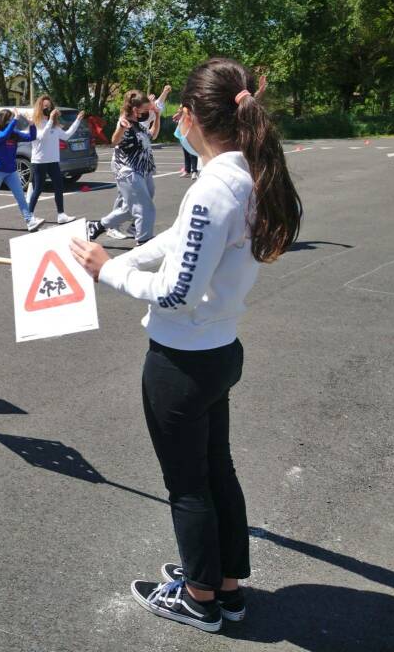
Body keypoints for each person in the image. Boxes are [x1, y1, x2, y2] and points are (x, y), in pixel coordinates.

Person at [71, 57, 302, 634]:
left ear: (197, 116)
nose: (174, 118)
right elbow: (176, 242)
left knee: (188, 484)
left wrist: (106, 273)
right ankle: (226, 584)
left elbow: (175, 290)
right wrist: (116, 259)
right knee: (215, 470)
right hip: (218, 352)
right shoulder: (247, 175)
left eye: (180, 111)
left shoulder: (213, 189)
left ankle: (199, 598)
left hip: (182, 362)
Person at [86, 90, 159, 246]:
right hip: (129, 171)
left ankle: (97, 226)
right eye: (145, 110)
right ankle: (143, 241)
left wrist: (157, 116)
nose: (148, 113)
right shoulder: (125, 123)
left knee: (129, 208)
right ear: (135, 109)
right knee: (145, 208)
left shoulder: (139, 125)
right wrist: (120, 127)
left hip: (144, 170)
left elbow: (153, 135)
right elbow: (114, 140)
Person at [0, 109, 43, 231]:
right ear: (4, 120)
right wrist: (16, 119)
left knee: (20, 196)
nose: (12, 120)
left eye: (12, 118)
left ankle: (29, 221)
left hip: (11, 171)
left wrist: (31, 124)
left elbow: (32, 136)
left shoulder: (14, 133)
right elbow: (5, 135)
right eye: (10, 118)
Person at [29, 94, 81, 224]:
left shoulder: (54, 125)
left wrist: (78, 120)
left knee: (59, 186)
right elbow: (42, 137)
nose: (47, 108)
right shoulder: (36, 123)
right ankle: (29, 216)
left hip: (53, 161)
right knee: (38, 189)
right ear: (40, 108)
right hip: (39, 161)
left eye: (49, 106)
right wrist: (51, 120)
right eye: (45, 106)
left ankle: (61, 214)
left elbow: (66, 136)